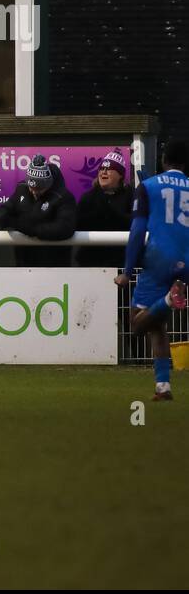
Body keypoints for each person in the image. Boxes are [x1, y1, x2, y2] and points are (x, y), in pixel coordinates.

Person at [118, 138, 189, 401]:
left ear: (163, 159)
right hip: (187, 257)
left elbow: (137, 231)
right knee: (157, 325)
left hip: (160, 256)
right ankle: (163, 385)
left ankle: (169, 300)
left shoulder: (149, 186)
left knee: (137, 323)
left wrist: (127, 270)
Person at [0, 154, 77, 267]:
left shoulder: (63, 197)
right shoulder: (22, 189)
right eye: (31, 187)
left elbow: (65, 228)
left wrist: (30, 229)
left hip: (54, 264)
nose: (34, 192)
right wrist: (2, 217)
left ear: (49, 183)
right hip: (24, 262)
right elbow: (6, 209)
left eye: (39, 189)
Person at [75, 149, 134, 267]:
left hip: (120, 262)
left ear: (120, 175)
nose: (103, 172)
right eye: (102, 169)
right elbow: (79, 223)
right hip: (91, 261)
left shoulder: (131, 196)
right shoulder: (89, 197)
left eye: (109, 169)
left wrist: (110, 212)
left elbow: (134, 223)